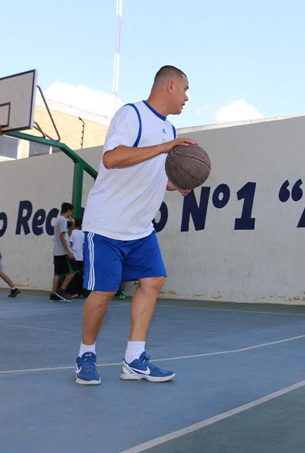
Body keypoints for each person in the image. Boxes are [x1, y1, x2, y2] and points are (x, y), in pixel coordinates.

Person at [76, 65, 194, 385]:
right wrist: (163, 148)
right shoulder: (132, 115)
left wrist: (177, 183)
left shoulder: (169, 131)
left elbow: (155, 174)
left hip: (140, 228)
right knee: (104, 292)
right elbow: (113, 159)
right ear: (169, 86)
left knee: (153, 281)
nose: (187, 97)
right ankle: (85, 355)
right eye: (184, 89)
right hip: (107, 225)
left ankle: (134, 359)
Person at [51, 202, 77, 302]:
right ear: (69, 211)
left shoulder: (59, 220)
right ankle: (62, 289)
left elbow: (68, 234)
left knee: (58, 273)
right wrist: (68, 251)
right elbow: (62, 237)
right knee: (73, 270)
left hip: (58, 251)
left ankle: (53, 294)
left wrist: (72, 225)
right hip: (63, 251)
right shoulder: (62, 220)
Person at [68, 218, 86, 299]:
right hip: (80, 257)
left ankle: (74, 292)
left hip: (74, 256)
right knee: (79, 276)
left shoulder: (74, 232)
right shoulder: (83, 233)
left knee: (73, 275)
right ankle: (80, 292)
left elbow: (70, 242)